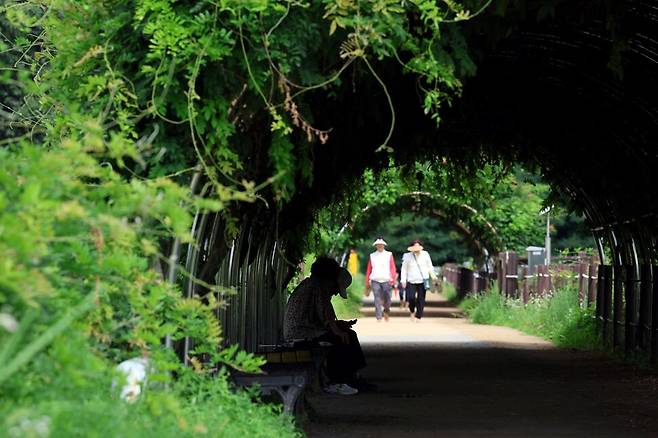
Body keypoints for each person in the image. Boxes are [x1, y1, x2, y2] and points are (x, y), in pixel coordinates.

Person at [283, 257, 368, 395]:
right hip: (300, 335)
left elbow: (321, 317)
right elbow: (326, 314)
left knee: (346, 335)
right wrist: (338, 330)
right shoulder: (319, 286)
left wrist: (338, 326)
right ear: (330, 279)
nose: (335, 293)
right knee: (341, 339)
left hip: (302, 332)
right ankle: (337, 380)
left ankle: (351, 377)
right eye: (336, 288)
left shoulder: (310, 284)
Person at [401, 239, 436, 322]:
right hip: (411, 280)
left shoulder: (425, 254)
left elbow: (429, 267)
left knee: (421, 299)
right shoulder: (407, 256)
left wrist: (433, 276)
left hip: (423, 279)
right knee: (411, 298)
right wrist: (403, 280)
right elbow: (404, 269)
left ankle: (418, 316)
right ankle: (412, 311)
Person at [365, 237, 397, 322]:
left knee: (388, 298)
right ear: (376, 246)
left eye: (381, 245)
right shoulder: (372, 256)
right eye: (378, 245)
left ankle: (386, 311)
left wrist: (393, 278)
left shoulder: (389, 254)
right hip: (375, 279)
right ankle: (378, 316)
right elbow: (369, 269)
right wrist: (367, 282)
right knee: (377, 298)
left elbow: (392, 267)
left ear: (384, 245)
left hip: (387, 279)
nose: (379, 246)